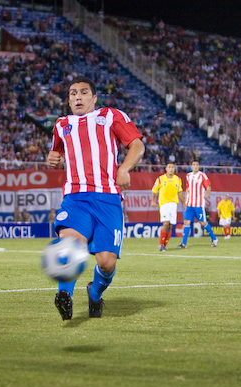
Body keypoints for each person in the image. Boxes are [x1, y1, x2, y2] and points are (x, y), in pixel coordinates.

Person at [47, 76, 145, 320]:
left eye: (83, 92)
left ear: (94, 98)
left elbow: (137, 145)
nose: (78, 97)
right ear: (68, 100)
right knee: (71, 243)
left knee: (106, 263)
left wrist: (123, 169)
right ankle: (64, 296)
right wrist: (52, 158)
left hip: (107, 198)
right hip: (75, 197)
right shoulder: (61, 124)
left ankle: (95, 293)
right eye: (73, 93)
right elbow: (56, 151)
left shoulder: (111, 116)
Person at [176, 160, 218, 248]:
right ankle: (184, 243)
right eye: (193, 165)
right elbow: (187, 188)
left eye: (197, 165)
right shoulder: (188, 176)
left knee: (203, 222)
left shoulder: (202, 175)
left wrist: (207, 193)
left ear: (199, 166)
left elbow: (208, 186)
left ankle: (214, 239)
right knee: (186, 222)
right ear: (191, 166)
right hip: (189, 203)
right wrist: (185, 201)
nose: (195, 166)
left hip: (199, 204)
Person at [150, 162, 185, 251]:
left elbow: (179, 192)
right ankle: (161, 245)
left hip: (174, 204)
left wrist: (184, 203)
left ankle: (164, 245)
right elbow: (154, 190)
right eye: (169, 167)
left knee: (170, 225)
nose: (171, 169)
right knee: (165, 223)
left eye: (173, 167)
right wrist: (153, 200)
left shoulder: (178, 179)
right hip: (164, 203)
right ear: (166, 169)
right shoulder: (160, 179)